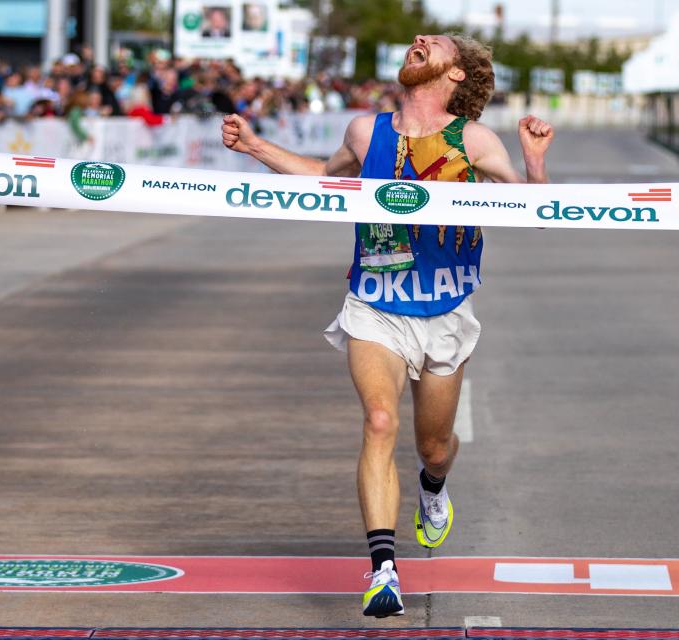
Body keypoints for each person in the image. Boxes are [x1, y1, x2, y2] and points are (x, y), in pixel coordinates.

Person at [221, 33, 553, 618]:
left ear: (457, 76)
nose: (418, 40)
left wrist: (532, 163)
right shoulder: (363, 132)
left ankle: (433, 488)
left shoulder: (472, 140)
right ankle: (382, 571)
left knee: (433, 447)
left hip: (444, 309)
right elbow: (324, 175)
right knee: (378, 421)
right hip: (374, 303)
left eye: (435, 43)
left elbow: (537, 219)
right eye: (418, 39)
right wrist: (256, 148)